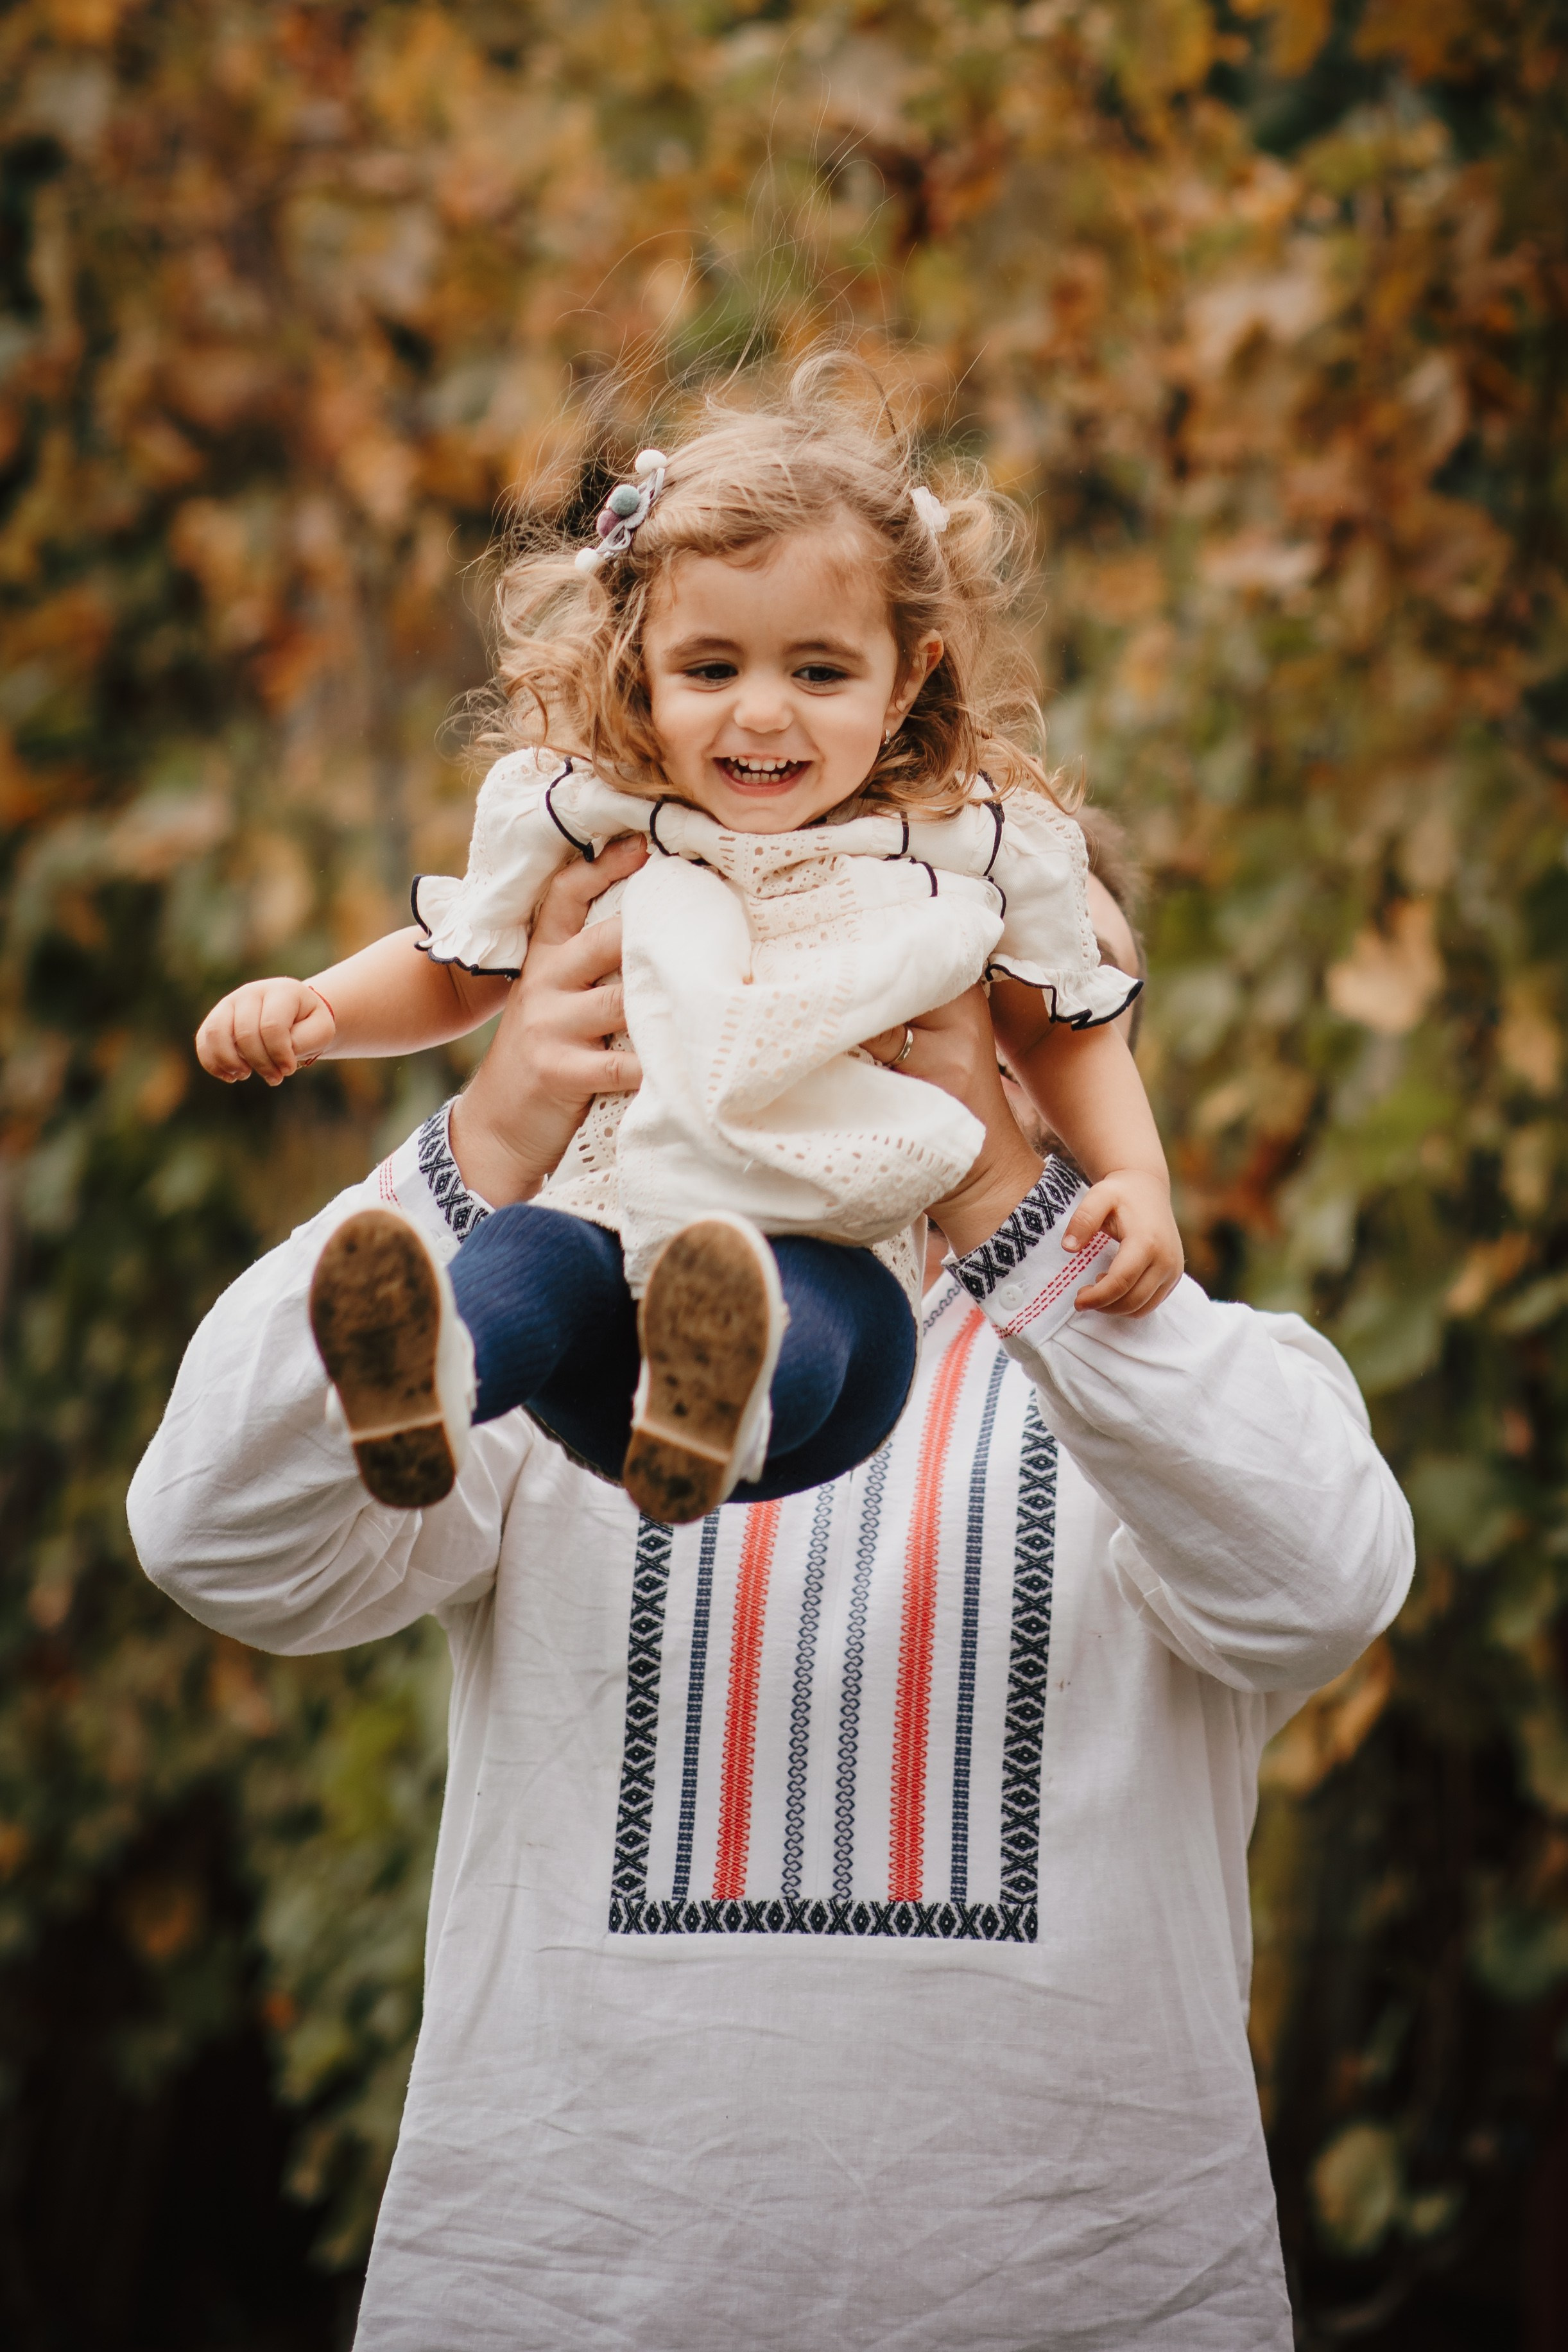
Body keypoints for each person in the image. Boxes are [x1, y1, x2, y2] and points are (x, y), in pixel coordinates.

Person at [130, 836, 1414, 2351]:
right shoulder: (568, 1357)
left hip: (1080, 2303)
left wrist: (1005, 1194)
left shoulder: (1181, 1390)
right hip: (559, 2298)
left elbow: (1319, 1582)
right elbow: (211, 1529)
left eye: (1005, 1002)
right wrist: (488, 1140)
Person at [193, 373, 1180, 1527]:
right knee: (533, 1254)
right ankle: (432, 1382)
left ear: (911, 672)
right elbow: (460, 961)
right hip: (616, 1245)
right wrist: (315, 1008)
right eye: (712, 670)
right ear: (640, 667)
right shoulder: (603, 824)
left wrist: (1139, 1177)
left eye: (818, 671)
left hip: (830, 1272)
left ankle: (724, 1397)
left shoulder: (958, 854)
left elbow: (1062, 1031)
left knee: (806, 1302)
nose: (762, 713)